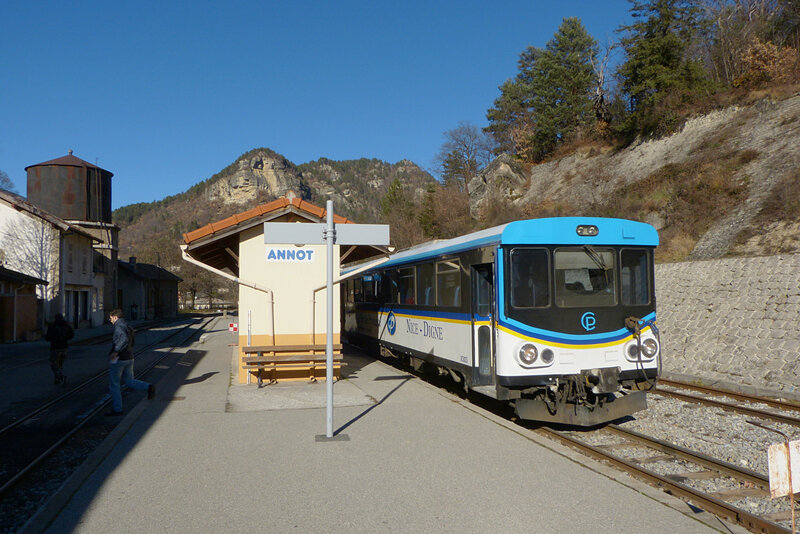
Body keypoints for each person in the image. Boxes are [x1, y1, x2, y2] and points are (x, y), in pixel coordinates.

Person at [106, 309, 154, 416]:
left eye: (110, 318)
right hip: (129, 357)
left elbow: (123, 339)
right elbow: (131, 341)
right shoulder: (127, 326)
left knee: (114, 384)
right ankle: (148, 387)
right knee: (129, 381)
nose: (110, 321)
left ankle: (117, 409)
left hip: (120, 359)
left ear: (115, 317)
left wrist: (115, 351)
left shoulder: (118, 326)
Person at [45, 313, 74, 384]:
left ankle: (59, 376)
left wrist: (53, 339)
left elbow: (47, 337)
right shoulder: (67, 326)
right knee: (60, 363)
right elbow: (71, 335)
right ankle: (58, 377)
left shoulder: (52, 326)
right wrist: (65, 339)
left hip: (55, 348)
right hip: (64, 347)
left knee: (54, 363)